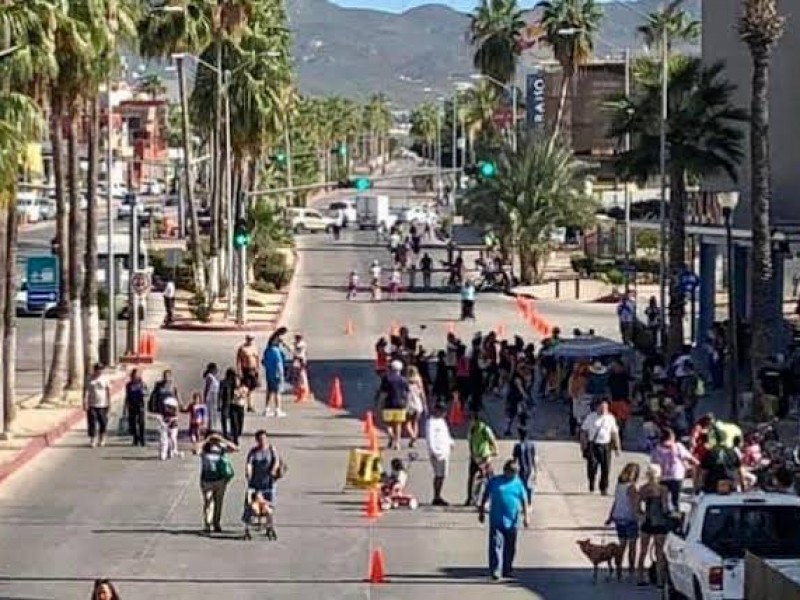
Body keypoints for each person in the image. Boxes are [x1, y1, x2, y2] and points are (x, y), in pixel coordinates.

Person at [479, 460, 530, 581]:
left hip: (512, 521)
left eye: (516, 472)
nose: (514, 475)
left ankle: (507, 568)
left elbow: (524, 500)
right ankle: (496, 570)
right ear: (506, 471)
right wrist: (481, 512)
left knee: (510, 546)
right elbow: (485, 495)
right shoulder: (495, 481)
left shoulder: (518, 483)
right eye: (512, 472)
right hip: (496, 519)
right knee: (495, 544)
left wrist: (526, 517)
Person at [636, 464, 671, 587]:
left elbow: (637, 506)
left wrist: (642, 515)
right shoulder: (663, 489)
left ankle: (640, 577)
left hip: (647, 521)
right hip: (660, 522)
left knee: (643, 551)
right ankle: (660, 580)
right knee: (659, 553)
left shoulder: (643, 488)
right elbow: (665, 507)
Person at [243, 429, 282, 539]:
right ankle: (247, 527)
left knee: (269, 506)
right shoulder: (254, 452)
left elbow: (276, 461)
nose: (262, 441)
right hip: (255, 483)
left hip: (268, 483)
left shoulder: (271, 449)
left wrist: (274, 470)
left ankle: (269, 526)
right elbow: (249, 463)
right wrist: (248, 471)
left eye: (264, 438)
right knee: (249, 505)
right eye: (260, 439)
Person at [606, 462, 641, 579]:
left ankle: (619, 568)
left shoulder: (619, 485)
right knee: (632, 546)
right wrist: (641, 517)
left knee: (622, 545)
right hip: (629, 518)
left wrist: (610, 516)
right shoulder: (632, 487)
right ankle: (631, 569)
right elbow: (634, 504)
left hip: (618, 517)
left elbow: (616, 502)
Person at [198, 431, 237, 534]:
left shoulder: (221, 448)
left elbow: (235, 448)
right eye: (213, 439)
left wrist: (221, 439)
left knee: (218, 503)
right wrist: (206, 440)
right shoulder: (204, 449)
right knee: (208, 502)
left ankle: (216, 523)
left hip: (220, 480)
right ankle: (207, 524)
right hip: (206, 480)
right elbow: (194, 449)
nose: (214, 441)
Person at [580, 400, 621, 495]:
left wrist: (617, 447)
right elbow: (583, 431)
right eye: (602, 408)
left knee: (606, 468)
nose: (603, 410)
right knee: (592, 467)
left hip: (605, 445)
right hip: (593, 445)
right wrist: (583, 446)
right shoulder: (591, 417)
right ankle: (592, 484)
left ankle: (604, 488)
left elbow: (614, 433)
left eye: (605, 408)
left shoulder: (610, 418)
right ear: (597, 407)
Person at [650, 427, 697, 509]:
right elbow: (690, 458)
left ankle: (666, 511)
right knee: (676, 497)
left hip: (662, 477)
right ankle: (676, 512)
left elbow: (654, 463)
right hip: (676, 475)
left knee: (664, 498)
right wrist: (696, 463)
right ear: (671, 437)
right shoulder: (677, 446)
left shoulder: (656, 449)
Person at [466, 412, 498, 506]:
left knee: (488, 479)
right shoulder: (472, 430)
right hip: (475, 457)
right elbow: (470, 442)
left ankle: (490, 498)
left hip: (485, 457)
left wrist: (493, 452)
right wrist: (472, 455)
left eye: (471, 420)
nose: (470, 422)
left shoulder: (484, 429)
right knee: (472, 478)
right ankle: (470, 498)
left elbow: (492, 440)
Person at [376, 360, 409, 450]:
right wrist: (407, 404)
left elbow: (383, 392)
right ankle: (397, 443)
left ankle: (391, 436)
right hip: (400, 404)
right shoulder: (404, 380)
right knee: (398, 424)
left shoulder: (387, 379)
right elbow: (406, 393)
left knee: (387, 424)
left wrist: (379, 403)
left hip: (389, 403)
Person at [426, 403, 454, 506]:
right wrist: (433, 451)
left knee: (443, 475)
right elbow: (430, 438)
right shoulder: (431, 422)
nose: (444, 414)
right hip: (437, 452)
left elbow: (445, 433)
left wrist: (450, 442)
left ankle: (438, 495)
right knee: (438, 475)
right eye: (442, 412)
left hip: (445, 451)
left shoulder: (442, 421)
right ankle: (436, 496)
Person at [84, 363, 111, 448]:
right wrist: (84, 402)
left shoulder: (105, 379)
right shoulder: (89, 379)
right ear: (95, 370)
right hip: (92, 404)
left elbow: (108, 390)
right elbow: (85, 391)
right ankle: (92, 439)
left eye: (101, 370)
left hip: (103, 404)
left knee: (103, 422)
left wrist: (109, 402)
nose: (99, 372)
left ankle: (102, 438)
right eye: (98, 370)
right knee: (92, 422)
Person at [262, 337, 286, 418]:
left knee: (269, 391)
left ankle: (266, 409)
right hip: (276, 374)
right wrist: (281, 374)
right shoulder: (276, 351)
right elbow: (279, 363)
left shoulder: (267, 350)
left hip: (269, 373)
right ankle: (277, 409)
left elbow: (263, 362)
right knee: (277, 392)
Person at [512, 428, 538, 503]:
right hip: (529, 468)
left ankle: (523, 501)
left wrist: (513, 468)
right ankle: (528, 501)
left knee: (522, 485)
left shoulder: (517, 446)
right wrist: (535, 469)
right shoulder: (531, 445)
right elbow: (534, 458)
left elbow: (515, 459)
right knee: (528, 485)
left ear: (519, 435)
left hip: (522, 469)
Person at [236, 335, 260, 412]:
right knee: (244, 388)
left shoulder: (255, 348)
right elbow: (238, 360)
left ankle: (250, 405)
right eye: (249, 339)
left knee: (252, 388)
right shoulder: (242, 348)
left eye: (252, 339)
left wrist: (257, 370)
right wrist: (239, 371)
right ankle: (241, 403)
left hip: (253, 369)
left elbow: (257, 359)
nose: (250, 340)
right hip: (245, 369)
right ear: (246, 339)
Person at [124, 369, 147, 447]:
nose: (135, 377)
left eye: (136, 375)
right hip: (131, 405)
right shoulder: (129, 385)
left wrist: (143, 390)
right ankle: (135, 438)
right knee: (132, 423)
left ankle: (142, 439)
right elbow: (127, 396)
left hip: (140, 406)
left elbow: (146, 393)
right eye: (133, 376)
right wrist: (125, 407)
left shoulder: (142, 384)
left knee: (141, 423)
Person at [405, 365, 426, 447]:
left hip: (409, 404)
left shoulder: (406, 381)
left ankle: (412, 436)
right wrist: (425, 404)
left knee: (407, 422)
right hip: (417, 403)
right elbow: (422, 393)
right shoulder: (418, 381)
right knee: (415, 422)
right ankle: (413, 441)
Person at [203, 363, 220, 431]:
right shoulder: (209, 377)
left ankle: (212, 427)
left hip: (214, 396)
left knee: (213, 412)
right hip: (211, 397)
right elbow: (207, 388)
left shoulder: (213, 377)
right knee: (211, 412)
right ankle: (210, 428)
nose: (217, 370)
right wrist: (205, 397)